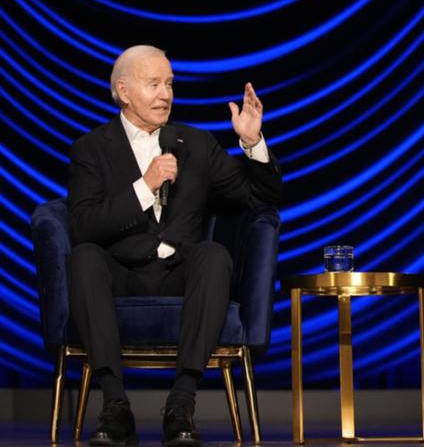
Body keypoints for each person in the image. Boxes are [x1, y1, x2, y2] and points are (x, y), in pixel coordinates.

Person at [67, 45, 281, 446]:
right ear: (124, 91)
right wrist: (144, 186)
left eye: (169, 83)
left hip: (182, 276)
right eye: (153, 84)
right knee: (83, 257)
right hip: (122, 276)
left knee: (214, 255)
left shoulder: (196, 144)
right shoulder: (91, 149)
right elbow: (82, 225)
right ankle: (115, 405)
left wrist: (252, 144)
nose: (165, 93)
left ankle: (181, 403)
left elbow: (259, 198)